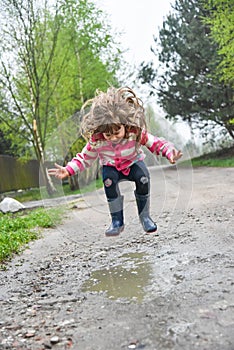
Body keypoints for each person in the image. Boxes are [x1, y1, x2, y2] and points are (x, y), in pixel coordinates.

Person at [48, 87, 182, 236]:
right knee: (108, 181)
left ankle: (145, 217)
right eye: (108, 135)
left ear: (124, 125)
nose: (113, 138)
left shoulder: (134, 132)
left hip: (133, 162)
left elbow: (155, 143)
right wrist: (68, 169)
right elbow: (84, 158)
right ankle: (117, 221)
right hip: (111, 167)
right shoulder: (97, 140)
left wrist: (169, 153)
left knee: (143, 178)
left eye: (117, 132)